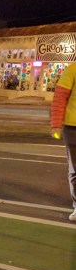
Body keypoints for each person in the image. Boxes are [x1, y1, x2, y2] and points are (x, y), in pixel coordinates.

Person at [50, 61, 76, 222]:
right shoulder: (72, 69)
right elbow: (60, 98)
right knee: (75, 170)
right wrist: (56, 125)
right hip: (73, 128)